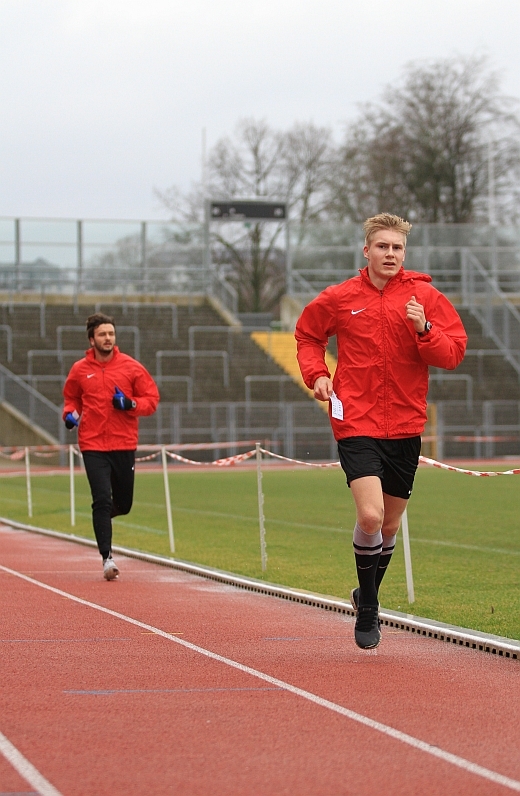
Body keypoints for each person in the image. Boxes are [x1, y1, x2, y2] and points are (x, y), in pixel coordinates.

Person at [295, 213, 467, 649]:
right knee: (370, 517)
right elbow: (308, 335)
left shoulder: (425, 297)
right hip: (355, 419)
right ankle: (370, 607)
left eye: (397, 247)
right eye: (383, 246)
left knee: (388, 527)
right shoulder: (340, 297)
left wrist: (425, 328)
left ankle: (364, 593)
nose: (390, 254)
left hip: (406, 423)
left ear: (404, 253)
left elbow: (453, 354)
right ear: (366, 250)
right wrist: (317, 373)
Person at [63, 313, 160, 581]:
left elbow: (151, 399)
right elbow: (71, 398)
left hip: (123, 442)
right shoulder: (79, 369)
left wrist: (130, 404)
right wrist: (69, 414)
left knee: (123, 504)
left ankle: (101, 518)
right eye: (102, 334)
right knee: (102, 499)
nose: (108, 338)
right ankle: (107, 558)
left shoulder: (131, 367)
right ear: (91, 339)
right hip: (92, 443)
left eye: (111, 334)